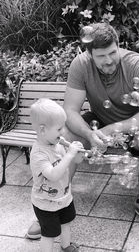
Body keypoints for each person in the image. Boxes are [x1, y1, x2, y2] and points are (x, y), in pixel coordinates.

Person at [27, 22, 139, 237]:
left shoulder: (138, 64)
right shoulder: (80, 65)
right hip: (98, 123)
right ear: (90, 54)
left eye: (112, 52)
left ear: (118, 46)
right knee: (67, 135)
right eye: (101, 56)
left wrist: (110, 130)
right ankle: (52, 203)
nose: (108, 60)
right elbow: (70, 111)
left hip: (137, 127)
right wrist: (90, 134)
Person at [28, 98, 83, 252]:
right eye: (59, 129)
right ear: (43, 129)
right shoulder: (39, 154)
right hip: (45, 203)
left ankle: (65, 246)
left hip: (64, 197)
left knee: (66, 223)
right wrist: (69, 155)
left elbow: (73, 161)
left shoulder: (57, 144)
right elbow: (53, 175)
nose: (63, 132)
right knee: (49, 233)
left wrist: (78, 154)